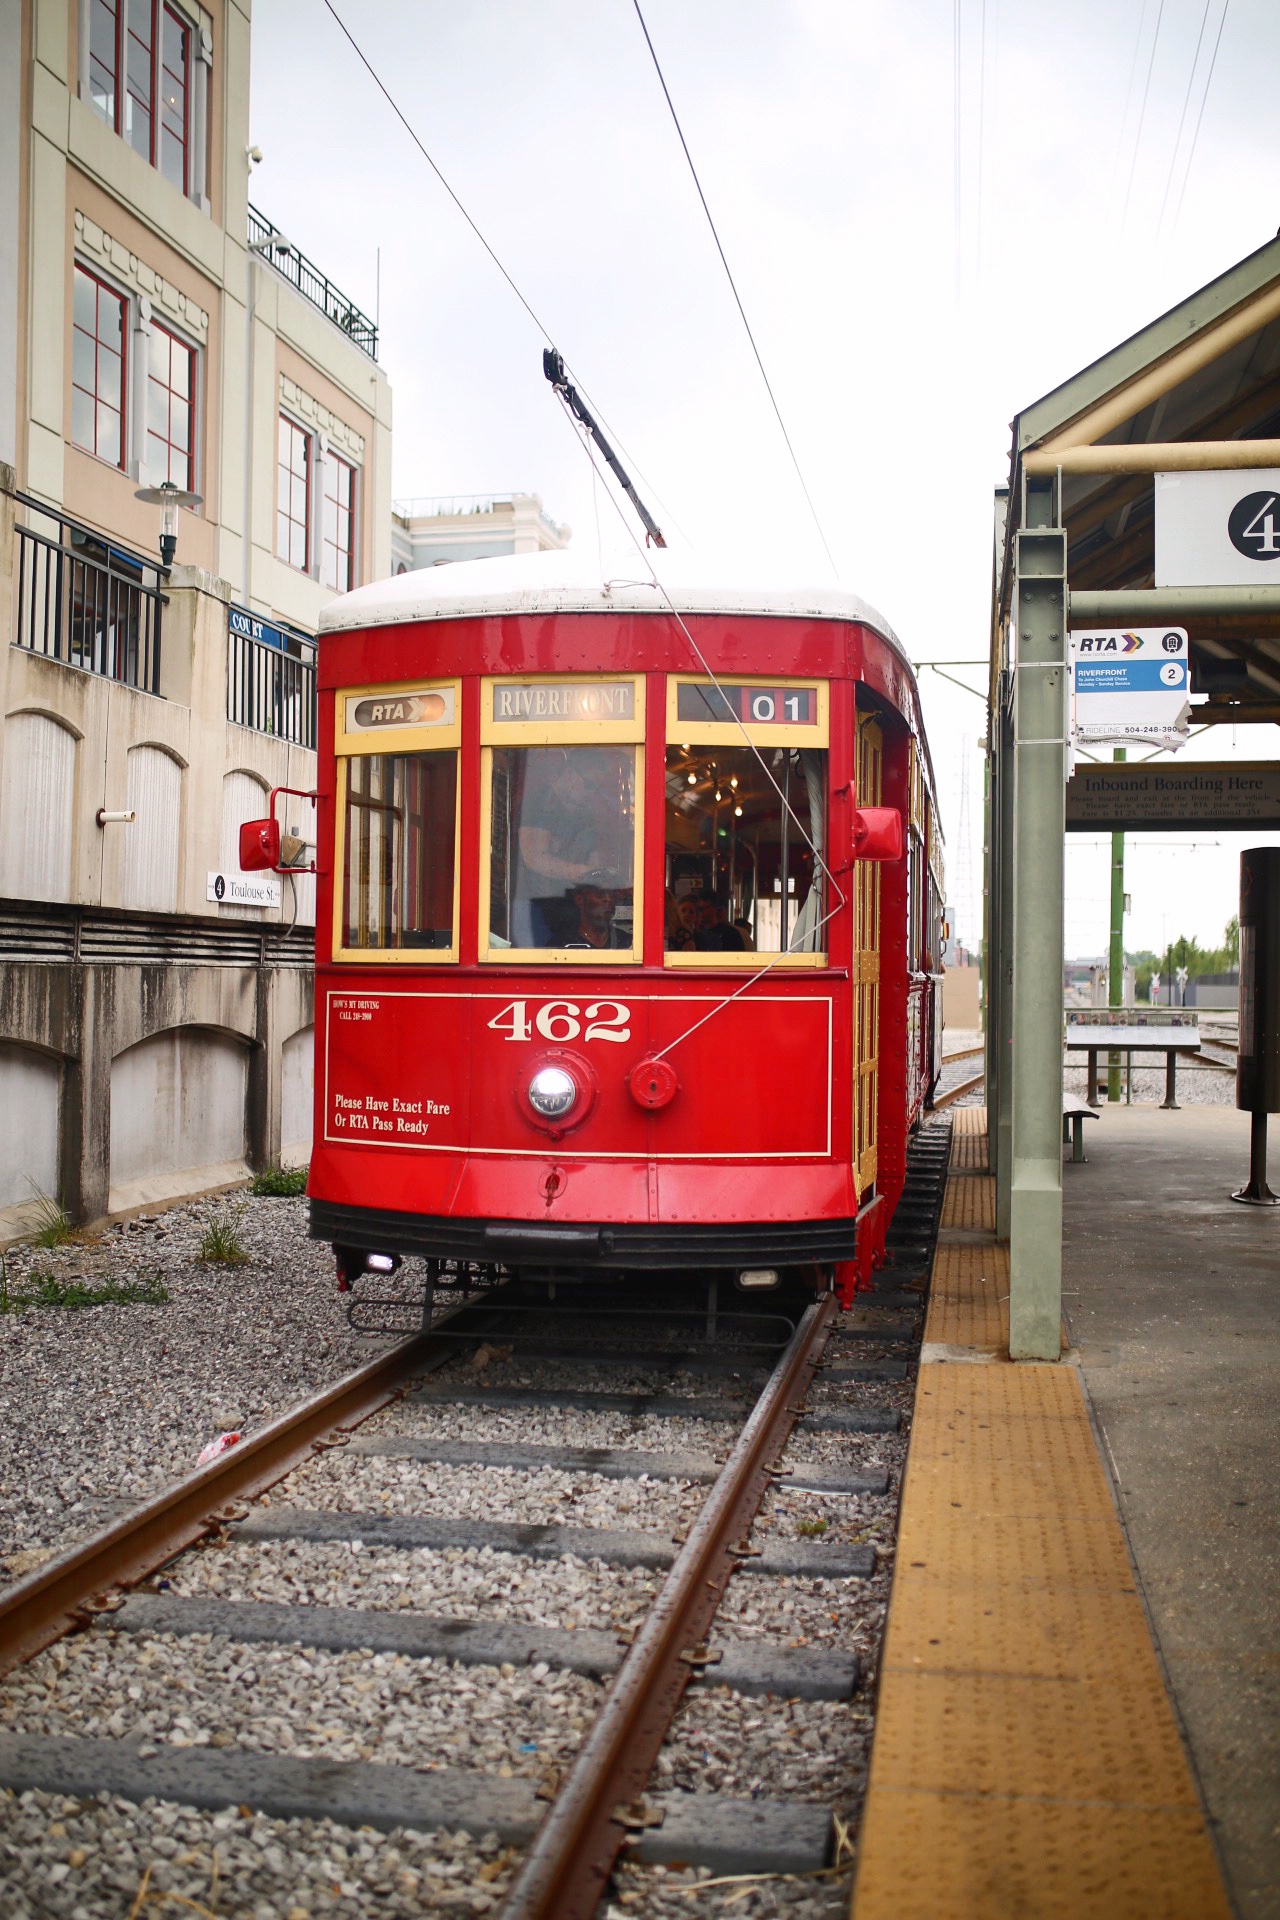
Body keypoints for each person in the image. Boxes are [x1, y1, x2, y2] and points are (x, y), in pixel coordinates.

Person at [512, 748, 631, 947]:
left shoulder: (584, 815)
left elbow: (592, 860)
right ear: (571, 774)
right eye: (589, 785)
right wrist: (583, 872)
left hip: (567, 907)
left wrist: (607, 878)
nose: (591, 794)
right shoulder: (541, 803)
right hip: (533, 903)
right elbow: (534, 857)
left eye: (595, 789)